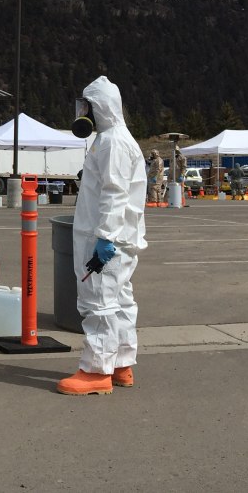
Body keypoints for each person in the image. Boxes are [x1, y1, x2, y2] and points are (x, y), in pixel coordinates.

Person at [57, 76, 147, 396]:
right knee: (120, 301)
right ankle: (120, 363)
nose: (83, 112)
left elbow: (114, 193)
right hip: (115, 238)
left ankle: (96, 371)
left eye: (87, 106)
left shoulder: (112, 142)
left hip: (105, 240)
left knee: (99, 302)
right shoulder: (112, 138)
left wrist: (105, 237)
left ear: (100, 108)